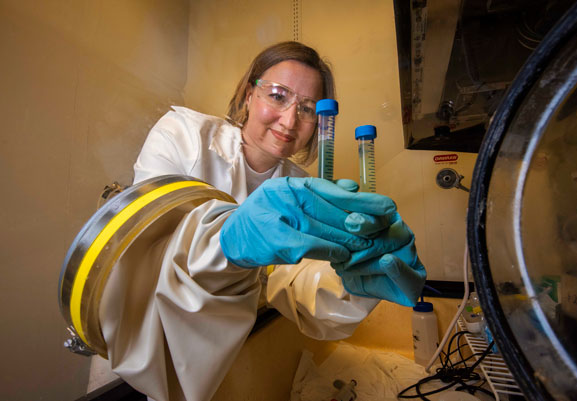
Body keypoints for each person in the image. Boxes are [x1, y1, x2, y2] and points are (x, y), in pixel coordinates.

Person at [99, 41, 426, 401]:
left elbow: (296, 289)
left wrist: (355, 286)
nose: (289, 120)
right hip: (134, 345)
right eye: (277, 95)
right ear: (248, 94)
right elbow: (146, 254)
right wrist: (228, 242)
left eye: (306, 109)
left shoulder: (301, 190)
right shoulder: (183, 135)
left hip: (217, 355)